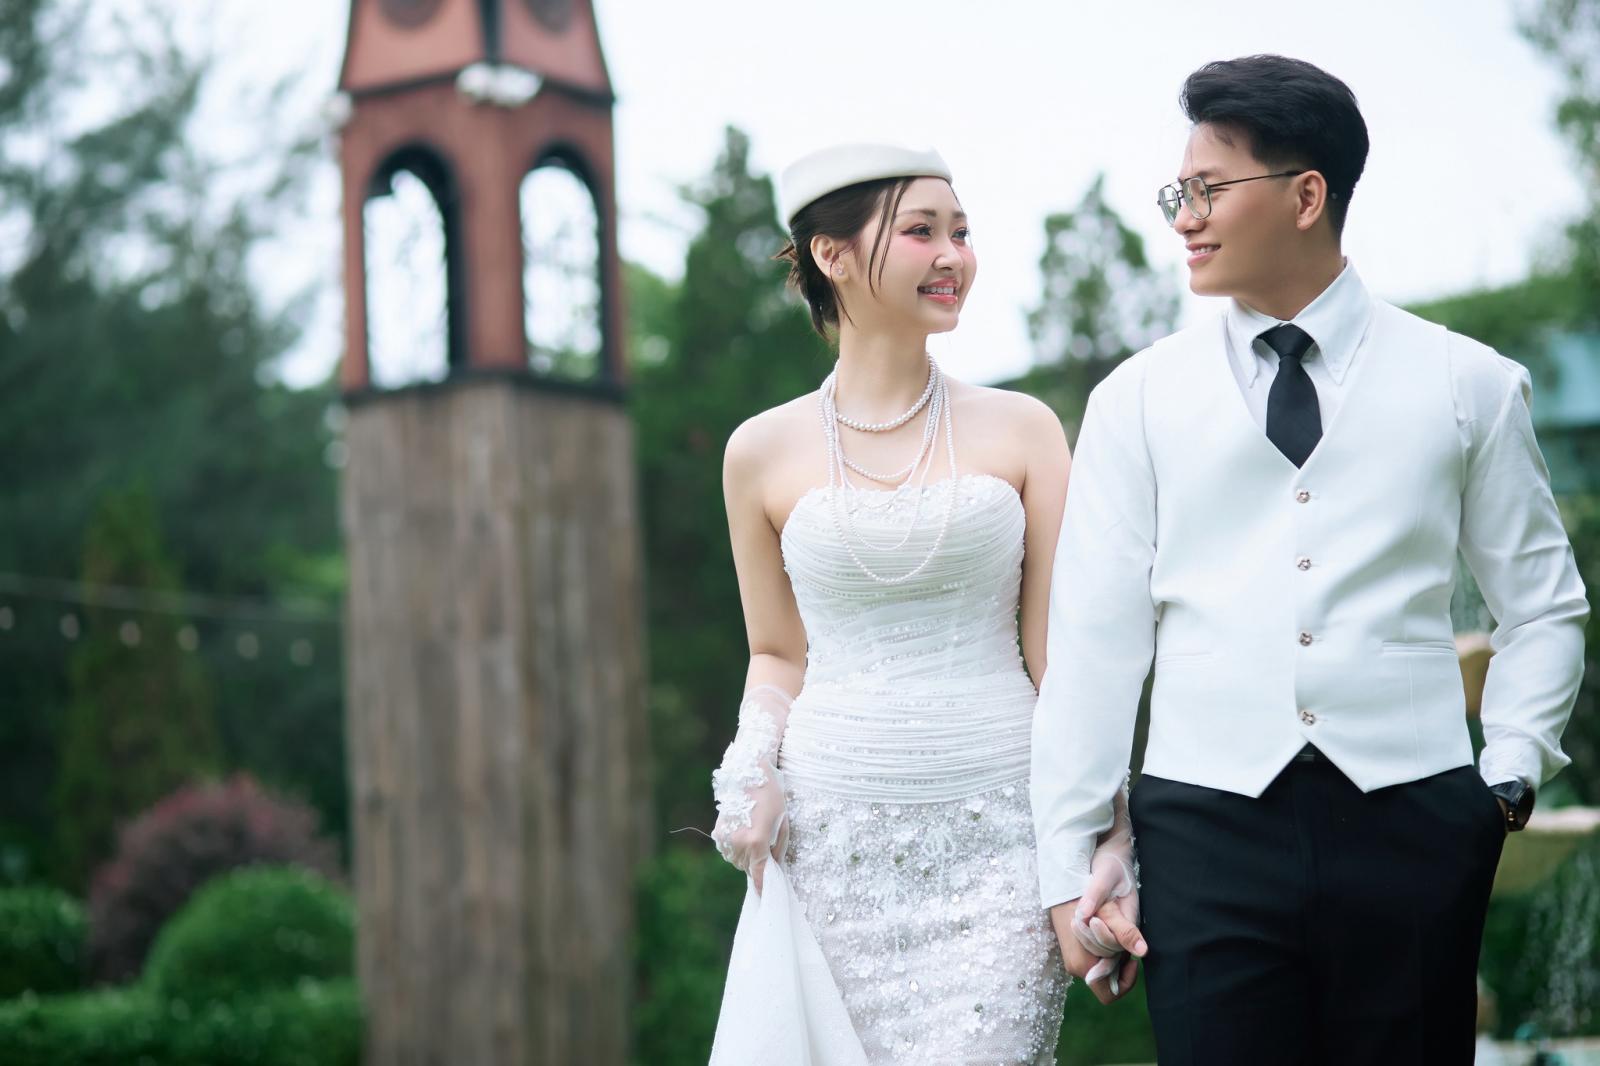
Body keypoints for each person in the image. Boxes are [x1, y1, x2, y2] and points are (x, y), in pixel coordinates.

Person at [1031, 54, 1589, 1065]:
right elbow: (1093, 643)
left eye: (1208, 189)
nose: (1185, 218)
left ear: (1306, 196)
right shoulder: (1134, 399)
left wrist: (1506, 774)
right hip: (1204, 830)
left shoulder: (1469, 382)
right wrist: (1072, 862)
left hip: (1415, 825)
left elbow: (1543, 609)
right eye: (1177, 193)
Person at [706, 143, 1133, 1064]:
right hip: (833, 845)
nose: (953, 256)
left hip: (1001, 841)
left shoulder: (1025, 428)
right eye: (921, 231)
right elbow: (776, 652)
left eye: (962, 233)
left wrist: (1109, 829)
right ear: (831, 254)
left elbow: (1059, 657)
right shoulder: (758, 452)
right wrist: (751, 762)